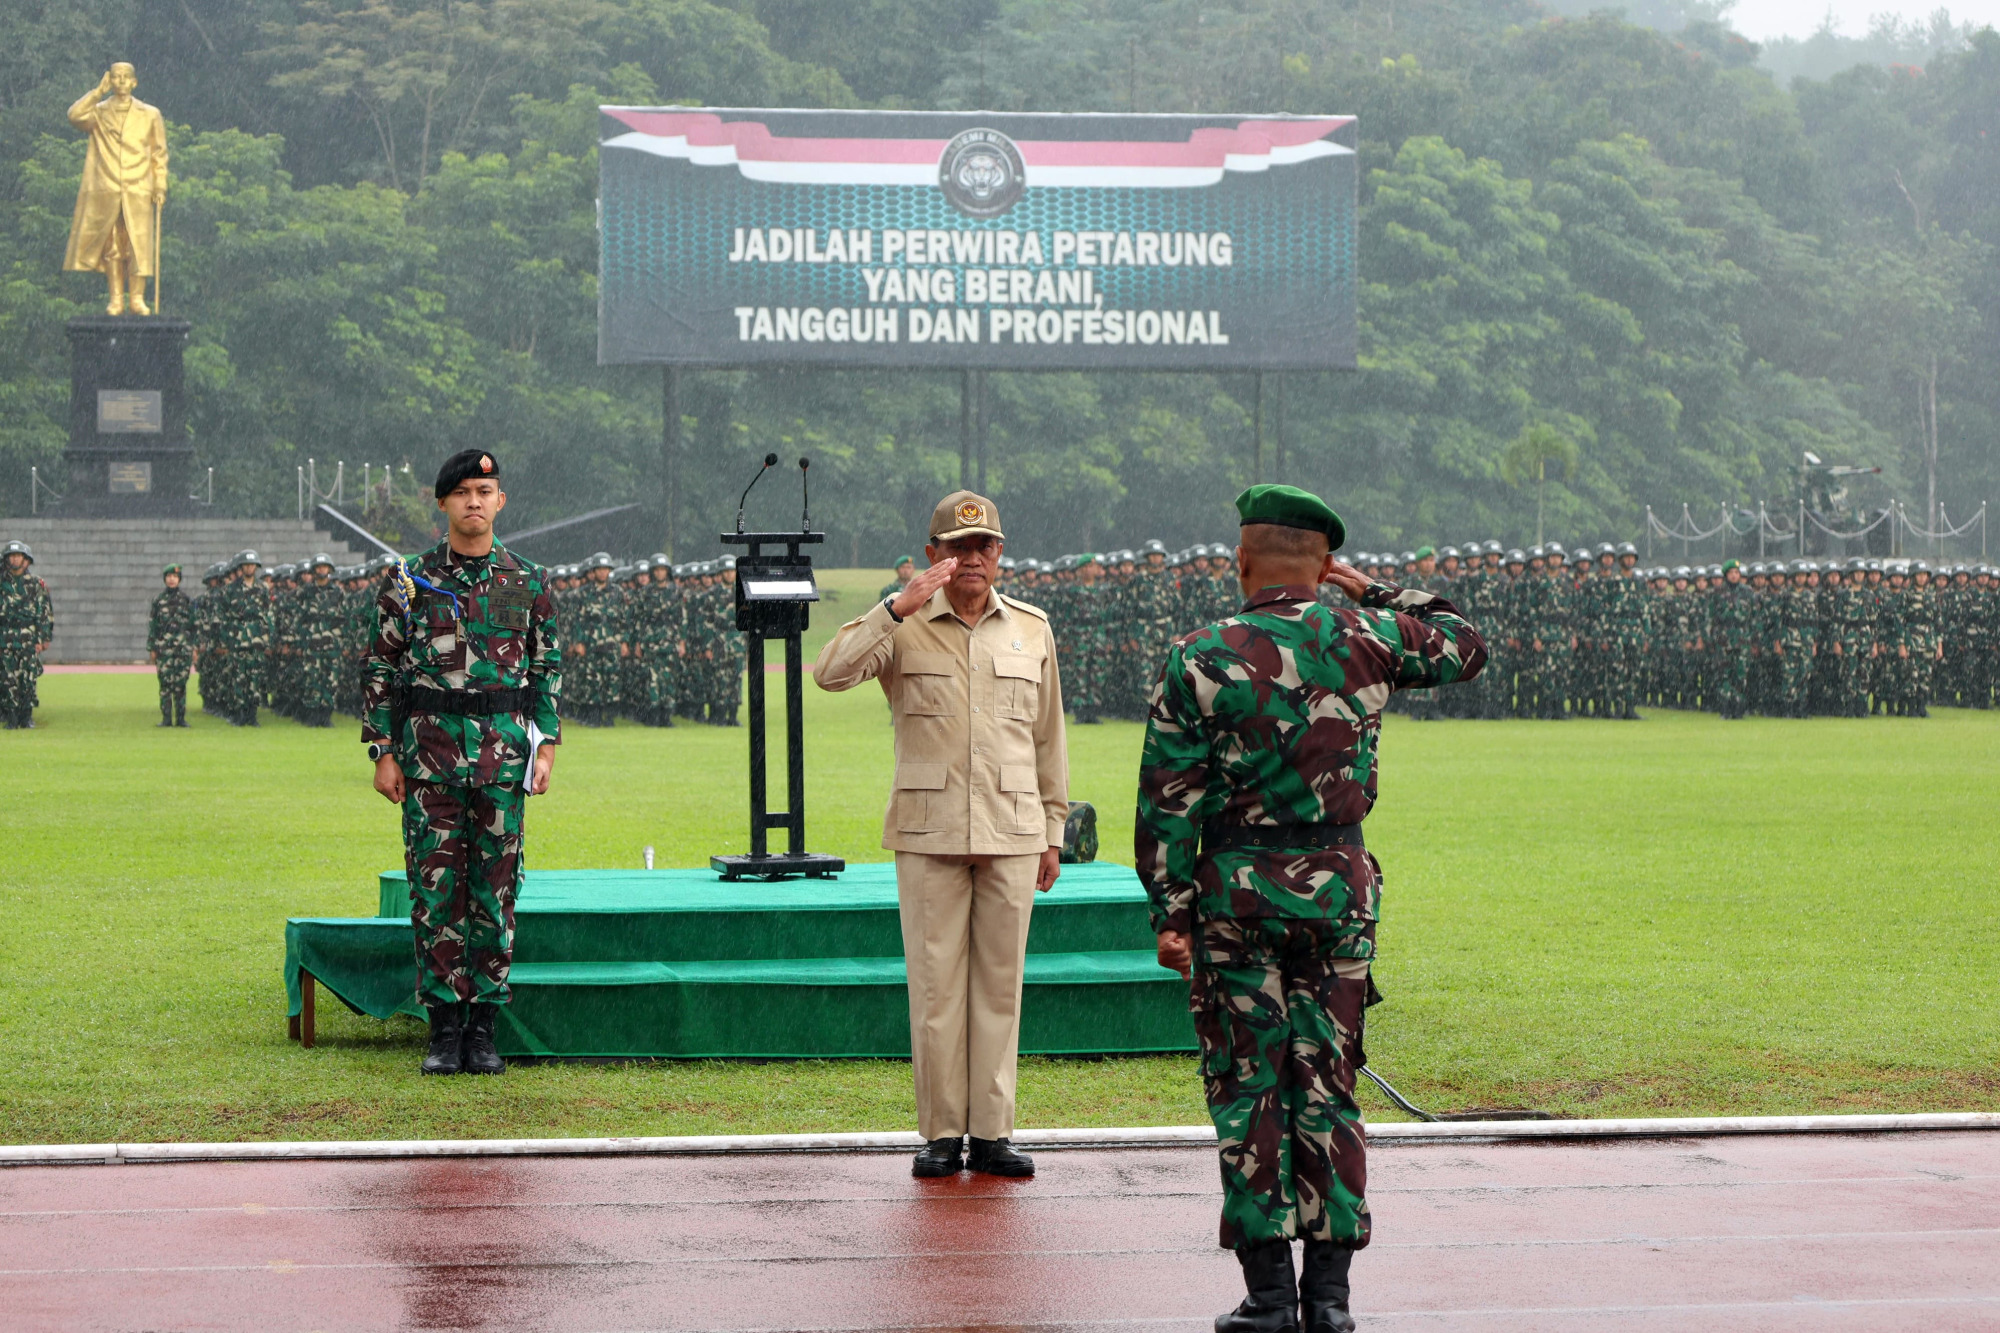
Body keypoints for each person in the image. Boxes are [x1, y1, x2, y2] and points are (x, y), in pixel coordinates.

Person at [1136, 485, 1487, 1333]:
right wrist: (1370, 591)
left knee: (1250, 1085)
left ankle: (1268, 1298)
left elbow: (1167, 799)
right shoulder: (1367, 635)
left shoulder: (1200, 653)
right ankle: (1330, 1299)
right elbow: (1466, 644)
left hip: (1237, 900)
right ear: (1324, 565)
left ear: (1241, 560)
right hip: (1337, 891)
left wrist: (1171, 913)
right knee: (1327, 1084)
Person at [814, 490, 1068, 1180]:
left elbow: (1048, 736)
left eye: (984, 545)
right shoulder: (902, 625)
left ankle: (991, 1132)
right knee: (935, 989)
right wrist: (895, 605)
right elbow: (830, 673)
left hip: (1012, 829)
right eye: (957, 548)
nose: (971, 558)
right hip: (929, 832)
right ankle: (941, 1133)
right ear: (933, 556)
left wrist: (1053, 827)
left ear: (1001, 553)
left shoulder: (1030, 628)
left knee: (999, 987)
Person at [363, 449, 562, 1077]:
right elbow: (380, 667)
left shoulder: (528, 580)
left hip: (502, 762)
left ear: (500, 501)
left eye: (486, 490)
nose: (474, 501)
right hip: (429, 761)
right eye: (463, 492)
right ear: (443, 502)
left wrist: (547, 743)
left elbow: (545, 668)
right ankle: (443, 1027)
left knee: (495, 892)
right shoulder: (410, 579)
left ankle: (484, 1028)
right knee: (435, 892)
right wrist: (382, 751)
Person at [64, 63, 168, 317]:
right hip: (107, 186)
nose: (121, 82)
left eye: (126, 78)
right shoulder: (99, 112)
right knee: (112, 246)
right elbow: (74, 116)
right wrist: (98, 92)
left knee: (138, 245)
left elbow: (159, 152)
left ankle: (137, 299)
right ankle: (115, 300)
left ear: (134, 82)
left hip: (139, 186)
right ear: (110, 81)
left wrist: (160, 184)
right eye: (116, 78)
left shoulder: (150, 114)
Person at [1, 540, 54, 728]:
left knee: (28, 678)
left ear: (26, 560)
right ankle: (11, 716)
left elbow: (44, 612)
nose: (15, 560)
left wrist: (43, 638)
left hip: (28, 638)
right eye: (11, 557)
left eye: (18, 556)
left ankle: (26, 715)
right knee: (7, 678)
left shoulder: (35, 584)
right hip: (4, 637)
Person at [147, 563, 195, 726]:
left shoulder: (186, 600)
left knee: (181, 684)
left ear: (179, 579)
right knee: (165, 684)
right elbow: (153, 625)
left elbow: (193, 625)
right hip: (164, 649)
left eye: (175, 577)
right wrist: (152, 648)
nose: (172, 580)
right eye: (169, 577)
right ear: (165, 579)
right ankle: (166, 718)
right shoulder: (158, 601)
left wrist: (193, 647)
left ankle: (180, 718)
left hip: (182, 649)